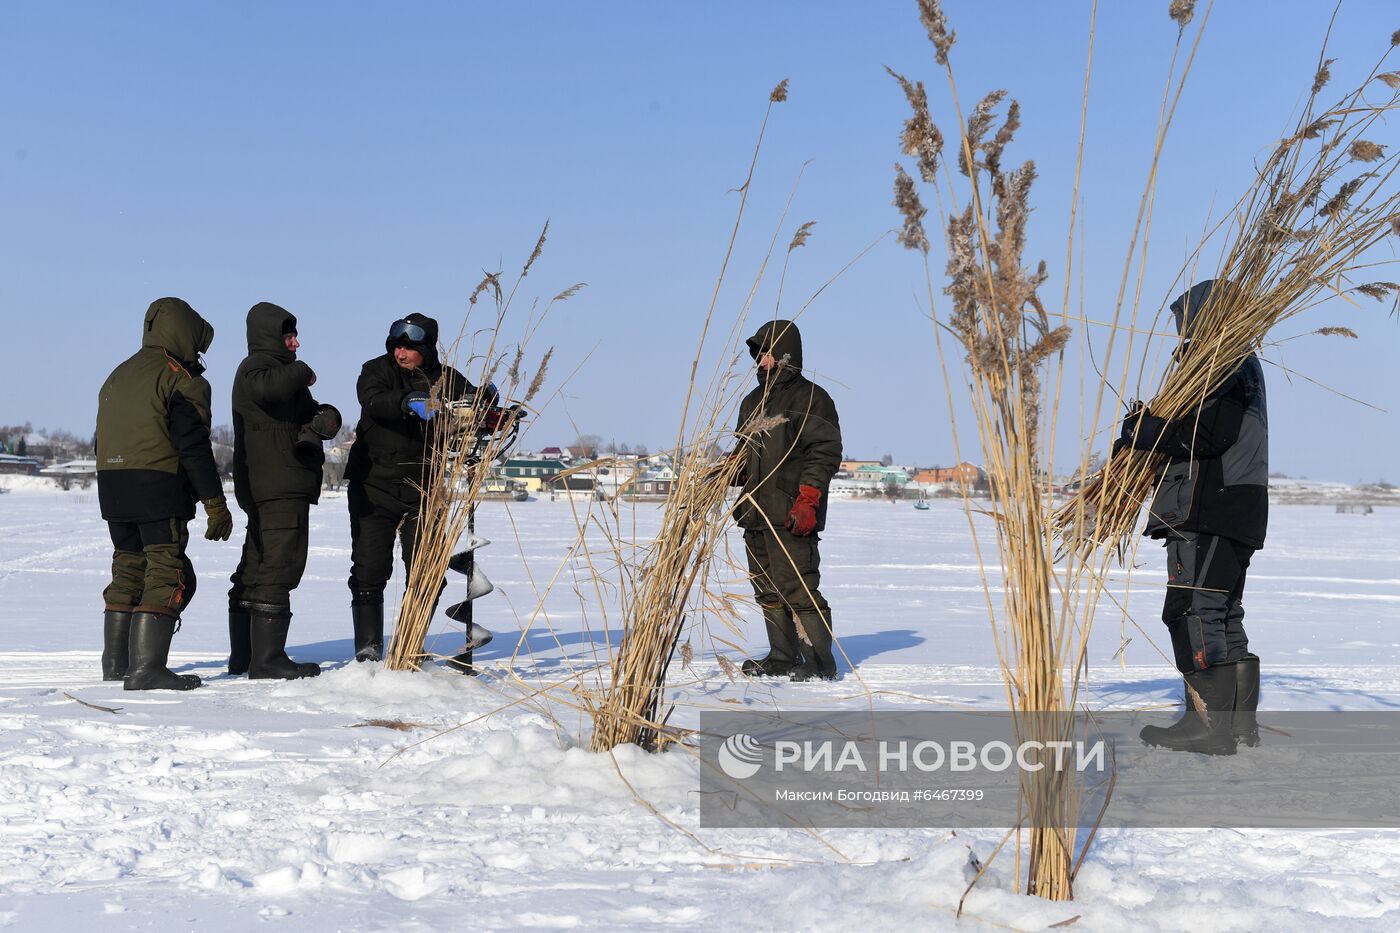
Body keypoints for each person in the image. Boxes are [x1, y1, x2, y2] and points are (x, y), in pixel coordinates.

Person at [1117, 280, 1267, 754]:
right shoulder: (1240, 363)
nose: (1181, 332)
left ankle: (1208, 727)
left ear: (1205, 318)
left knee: (1193, 613)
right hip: (1237, 506)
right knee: (1223, 615)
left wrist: (1145, 431)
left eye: (1186, 321)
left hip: (1208, 506)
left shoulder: (1222, 365)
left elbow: (1207, 437)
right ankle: (1237, 728)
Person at [96, 297, 233, 691]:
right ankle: (147, 669)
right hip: (158, 486)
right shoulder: (180, 378)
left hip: (113, 488)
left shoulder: (117, 375)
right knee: (166, 572)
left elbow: (101, 439)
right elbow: (193, 445)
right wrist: (214, 502)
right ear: (185, 333)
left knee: (127, 570)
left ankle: (116, 666)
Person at [344, 313, 485, 661]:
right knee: (369, 568)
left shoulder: (447, 378)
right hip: (374, 485)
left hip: (425, 491)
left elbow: (473, 404)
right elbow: (373, 399)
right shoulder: (376, 370)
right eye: (398, 346)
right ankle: (368, 651)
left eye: (410, 348)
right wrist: (407, 402)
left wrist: (489, 407)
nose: (402, 354)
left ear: (427, 349)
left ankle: (409, 647)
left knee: (427, 571)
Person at [227, 302, 341, 680]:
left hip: (273, 483)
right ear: (270, 337)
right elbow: (267, 388)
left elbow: (305, 412)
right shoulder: (257, 368)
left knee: (258, 565)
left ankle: (246, 657)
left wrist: (325, 419)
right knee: (280, 565)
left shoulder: (273, 373)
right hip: (277, 484)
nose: (296, 343)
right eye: (289, 336)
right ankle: (267, 660)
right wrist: (303, 371)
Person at [733, 319, 843, 681]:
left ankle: (819, 662)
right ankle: (782, 656)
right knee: (766, 587)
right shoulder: (752, 401)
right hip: (755, 513)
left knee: (798, 586)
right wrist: (730, 472)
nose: (760, 360)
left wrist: (809, 498)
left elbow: (824, 452)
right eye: (758, 353)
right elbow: (743, 453)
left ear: (785, 354)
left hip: (792, 513)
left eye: (766, 352)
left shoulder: (812, 398)